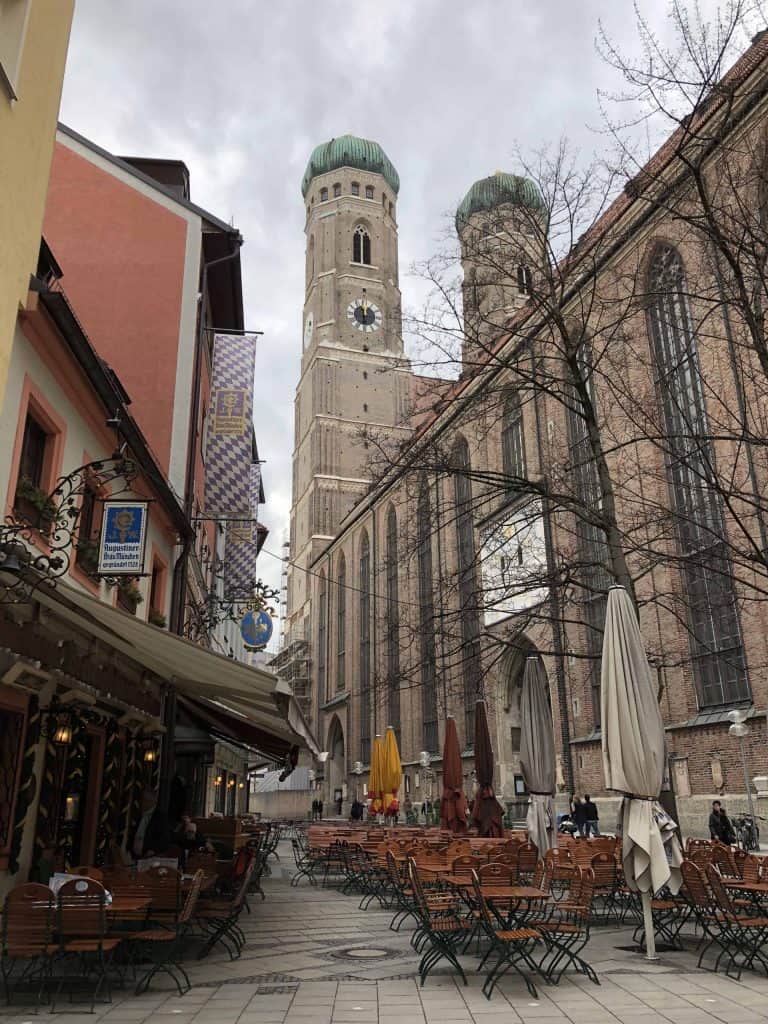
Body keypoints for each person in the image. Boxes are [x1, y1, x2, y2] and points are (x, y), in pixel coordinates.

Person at [131, 788, 170, 860]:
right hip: (135, 856)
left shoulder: (160, 817)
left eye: (143, 800)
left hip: (150, 857)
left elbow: (164, 838)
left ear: (149, 801)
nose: (140, 803)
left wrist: (153, 850)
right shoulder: (139, 814)